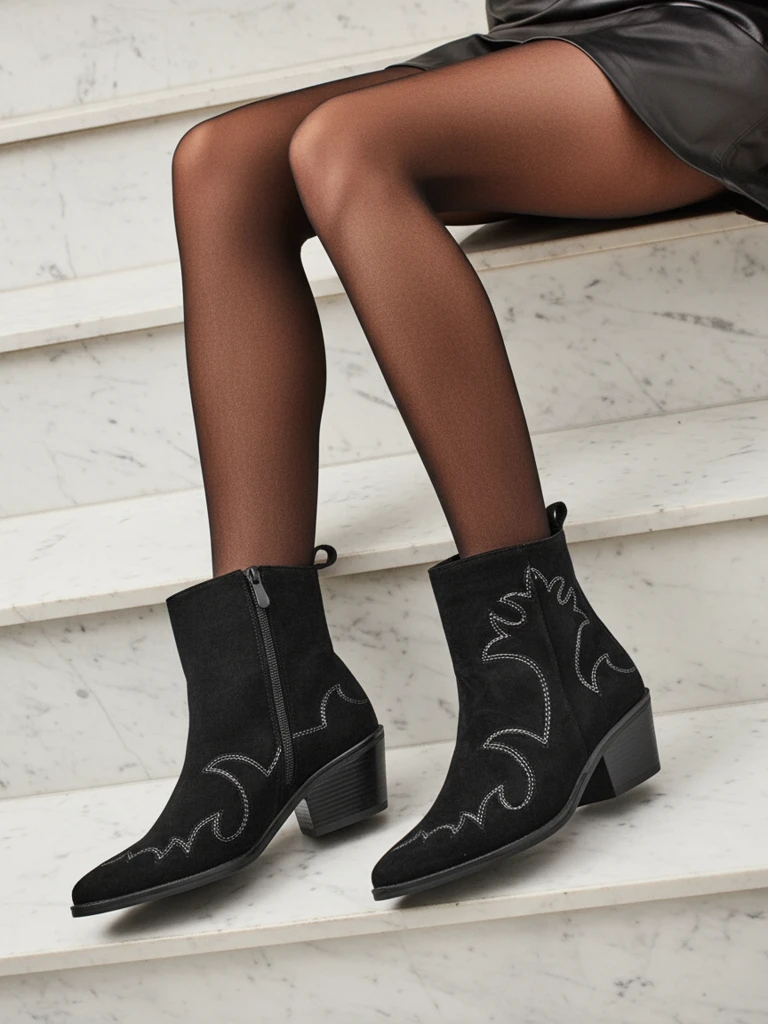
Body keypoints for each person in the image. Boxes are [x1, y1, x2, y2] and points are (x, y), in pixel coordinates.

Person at [70, 0, 768, 915]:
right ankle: (272, 711)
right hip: (538, 43)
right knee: (218, 164)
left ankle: (550, 667)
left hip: (704, 38)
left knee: (345, 143)